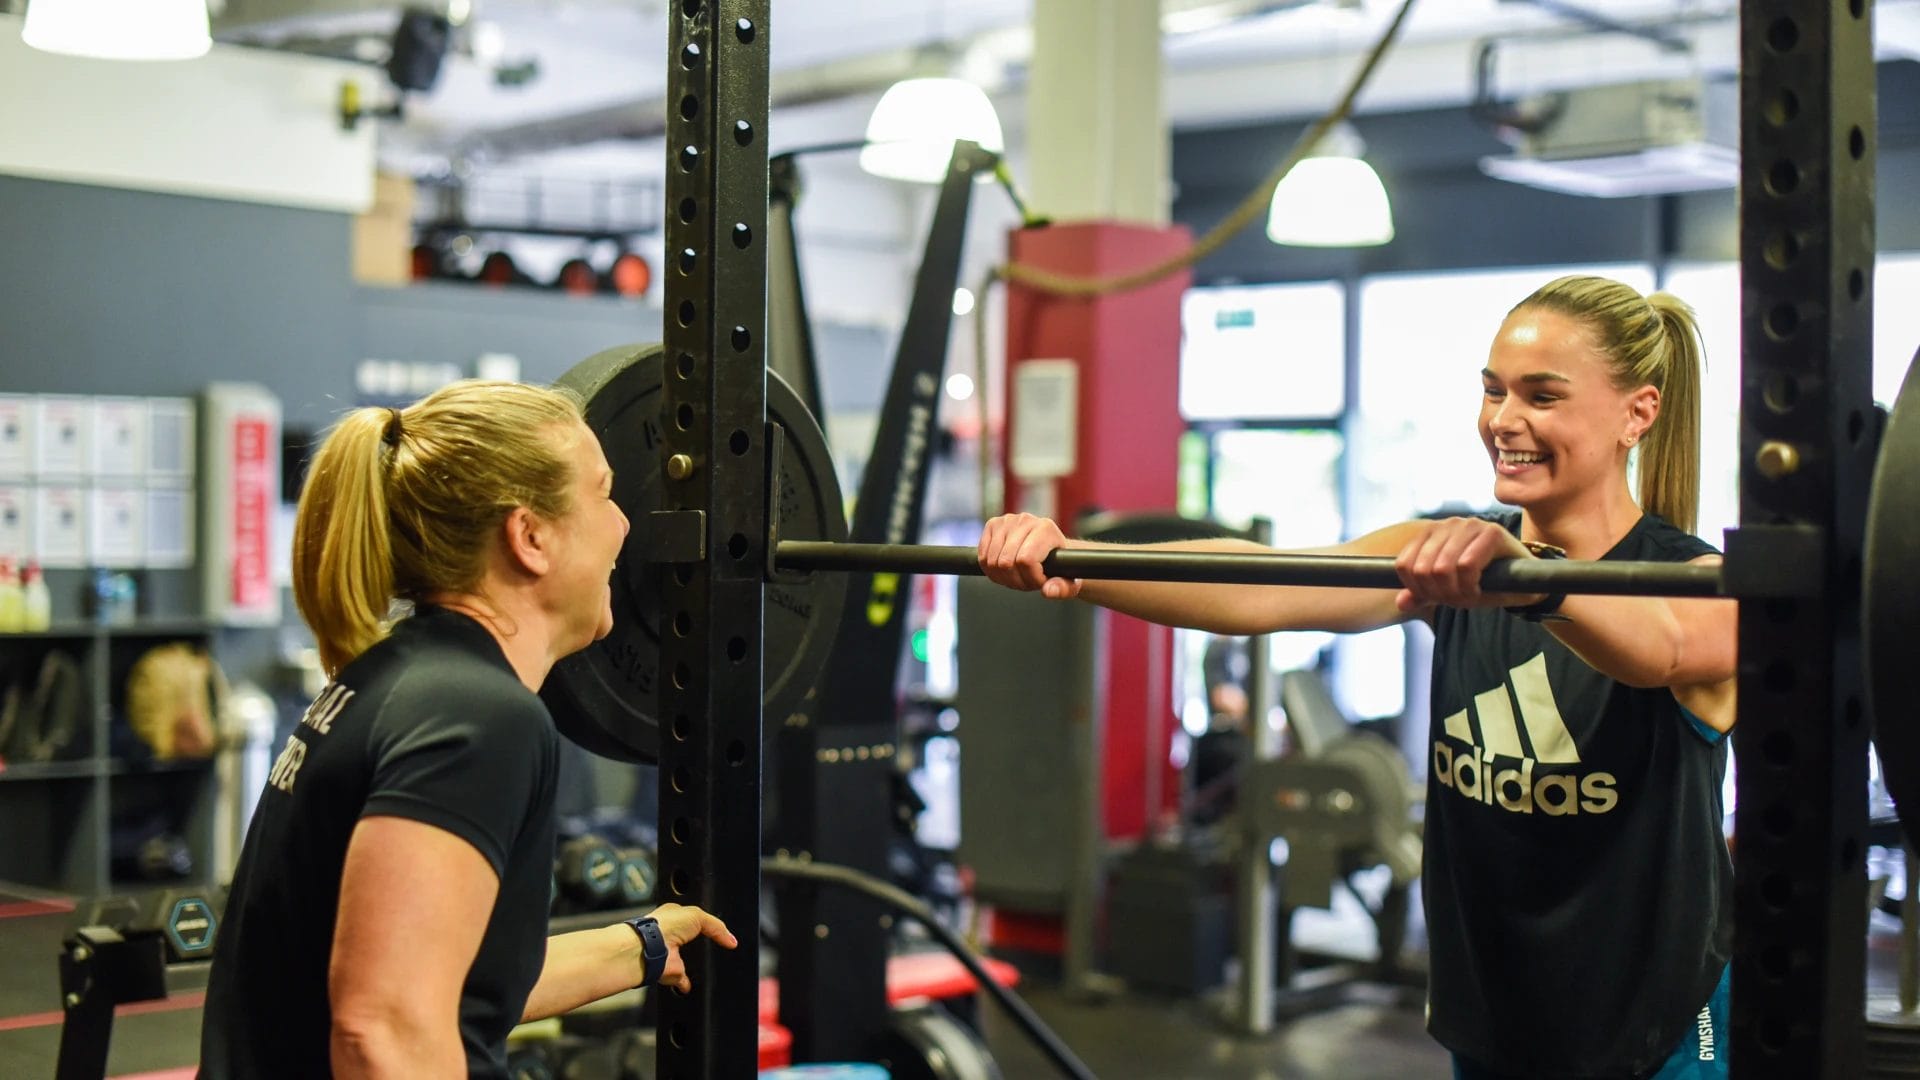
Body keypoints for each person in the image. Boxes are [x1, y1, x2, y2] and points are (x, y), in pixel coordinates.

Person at [978, 275, 1735, 1080]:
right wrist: (1073, 561)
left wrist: (1532, 579)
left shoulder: (1696, 582)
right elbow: (1261, 584)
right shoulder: (1462, 558)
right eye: (1493, 391)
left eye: (1541, 397)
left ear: (1638, 412)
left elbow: (1660, 648)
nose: (1504, 421)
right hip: (1497, 1020)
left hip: (1655, 1033)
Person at [200, 381, 738, 1079]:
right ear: (531, 537)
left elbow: (444, 981)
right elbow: (384, 1030)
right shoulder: (479, 719)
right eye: (603, 494)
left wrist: (641, 946)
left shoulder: (401, 678)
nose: (626, 526)